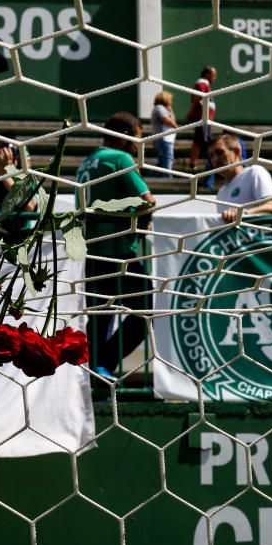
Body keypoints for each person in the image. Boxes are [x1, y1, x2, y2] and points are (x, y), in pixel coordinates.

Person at [76, 112, 156, 380]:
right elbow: (148, 200)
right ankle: (105, 364)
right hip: (119, 252)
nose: (139, 144)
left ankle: (96, 373)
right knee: (145, 308)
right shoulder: (120, 158)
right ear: (125, 134)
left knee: (100, 317)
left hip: (92, 252)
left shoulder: (85, 163)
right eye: (138, 136)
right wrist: (142, 223)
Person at [207, 134, 272, 223]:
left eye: (219, 152)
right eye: (211, 156)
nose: (215, 159)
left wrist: (244, 213)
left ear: (237, 151)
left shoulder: (254, 172)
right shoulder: (221, 193)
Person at [186, 66, 217, 172]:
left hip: (205, 118)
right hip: (202, 118)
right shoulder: (202, 83)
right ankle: (193, 164)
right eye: (214, 75)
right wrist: (190, 113)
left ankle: (210, 163)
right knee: (200, 141)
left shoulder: (205, 84)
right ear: (207, 74)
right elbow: (196, 98)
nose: (215, 78)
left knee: (203, 140)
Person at [150, 90, 177, 177]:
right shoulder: (159, 107)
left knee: (162, 161)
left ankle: (150, 177)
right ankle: (168, 179)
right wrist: (175, 126)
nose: (171, 102)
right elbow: (166, 120)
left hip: (166, 138)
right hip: (163, 138)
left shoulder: (164, 108)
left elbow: (172, 120)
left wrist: (171, 110)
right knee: (168, 159)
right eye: (170, 100)